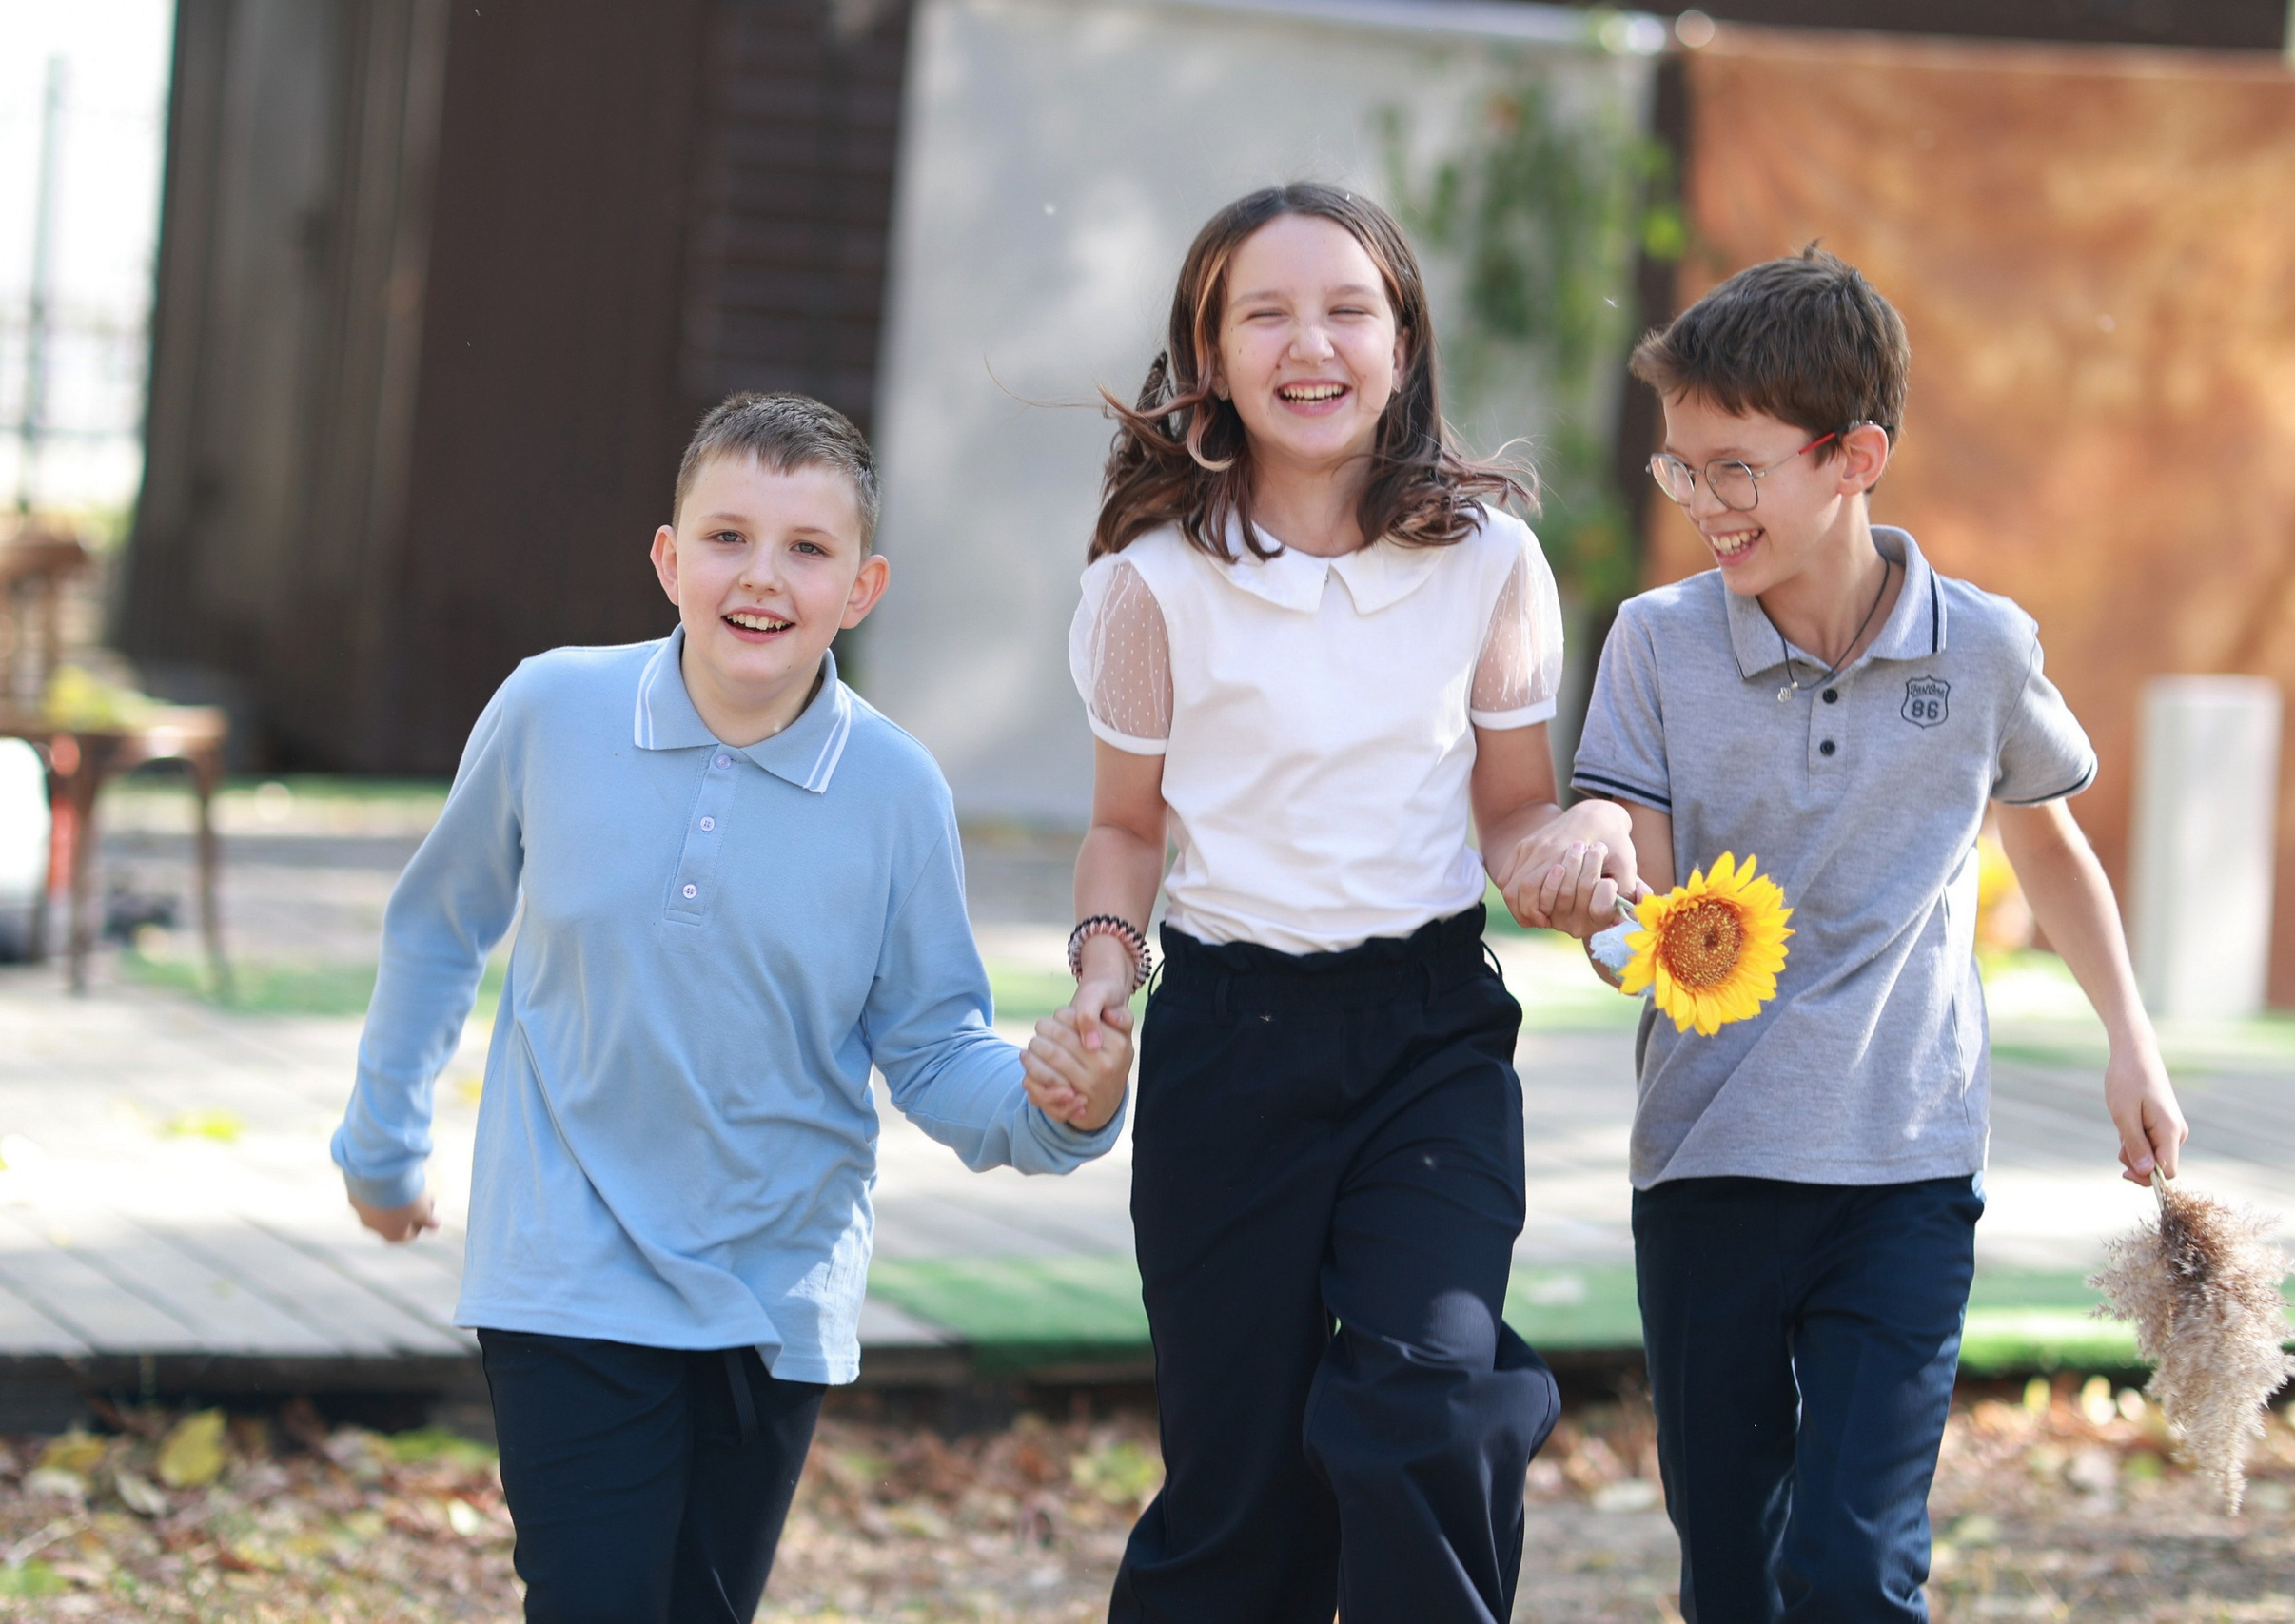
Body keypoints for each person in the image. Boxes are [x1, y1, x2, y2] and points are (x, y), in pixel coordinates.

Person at [333, 393, 1132, 1624]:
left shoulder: (896, 790)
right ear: (668, 559)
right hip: (564, 1268)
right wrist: (383, 1146)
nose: (762, 577)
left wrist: (1057, 1108)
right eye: (727, 538)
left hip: (775, 1292)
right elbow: (441, 924)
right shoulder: (551, 711)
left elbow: (929, 1047)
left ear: (861, 588)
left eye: (806, 549)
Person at [1508, 248, 2189, 1622]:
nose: (1704, 504)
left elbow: (2048, 845)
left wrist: (2133, 1042)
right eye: (1682, 469)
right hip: (1706, 1162)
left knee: (1857, 1564)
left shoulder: (1983, 649)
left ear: (1854, 457)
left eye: (1736, 470)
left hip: (1905, 1170)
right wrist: (1594, 890)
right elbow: (1636, 892)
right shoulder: (1655, 644)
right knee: (1733, 1572)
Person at [1044, 183, 1568, 1624]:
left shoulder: (1491, 564)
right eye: (1264, 314)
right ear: (1210, 355)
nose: (1311, 343)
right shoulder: (1151, 585)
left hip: (1430, 1041)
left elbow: (1515, 814)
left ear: (1403, 343)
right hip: (1229, 1043)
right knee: (1239, 1498)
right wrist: (1104, 975)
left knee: (1434, 1401)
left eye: (1346, 309)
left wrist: (1574, 864)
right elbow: (1124, 828)